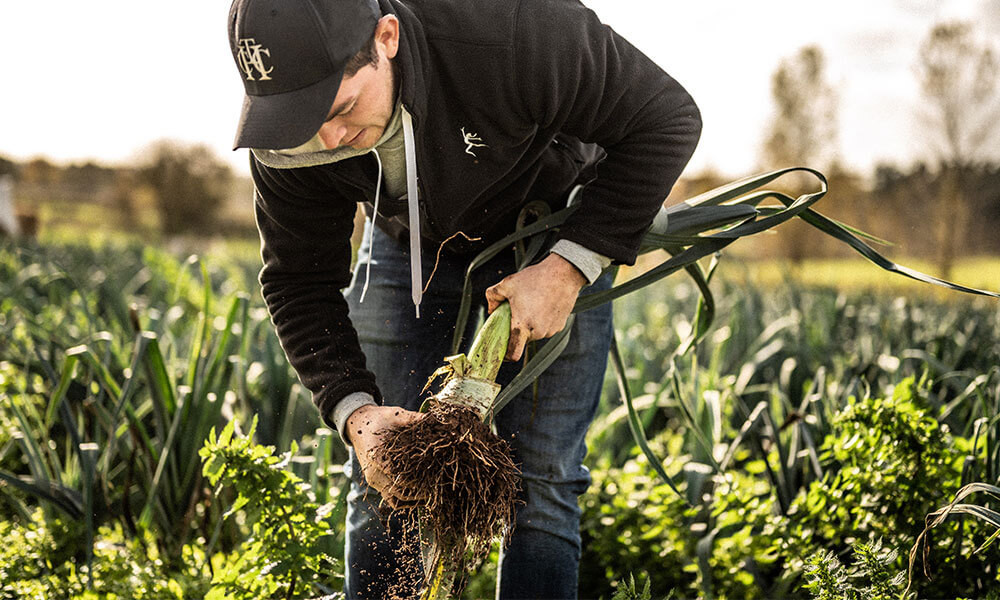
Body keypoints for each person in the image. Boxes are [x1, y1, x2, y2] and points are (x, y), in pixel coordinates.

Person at [227, 0, 701, 597]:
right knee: (384, 472)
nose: (329, 138)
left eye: (343, 107)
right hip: (409, 244)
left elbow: (667, 118)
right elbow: (298, 281)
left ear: (387, 37)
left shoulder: (513, 30)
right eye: (301, 120)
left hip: (553, 230)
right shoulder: (289, 139)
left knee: (543, 482)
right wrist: (355, 414)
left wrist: (567, 268)